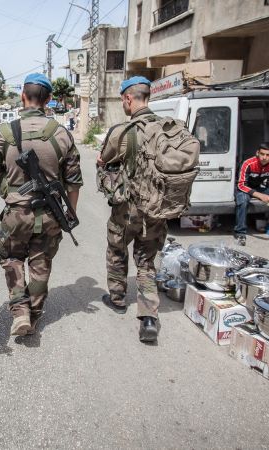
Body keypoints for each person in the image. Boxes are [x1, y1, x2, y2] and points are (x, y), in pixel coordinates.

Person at [0, 73, 82, 336]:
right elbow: (73, 182)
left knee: (11, 258)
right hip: (50, 214)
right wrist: (69, 214)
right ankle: (33, 315)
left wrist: (9, 173)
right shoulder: (62, 134)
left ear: (23, 96)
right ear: (48, 100)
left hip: (16, 214)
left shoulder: (3, 134)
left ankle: (20, 311)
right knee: (41, 263)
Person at [97, 76, 167, 343]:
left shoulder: (123, 132)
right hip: (157, 209)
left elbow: (104, 160)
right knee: (146, 261)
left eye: (122, 100)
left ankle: (117, 299)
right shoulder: (167, 128)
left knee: (117, 249)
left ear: (128, 98)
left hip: (128, 209)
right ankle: (148, 317)